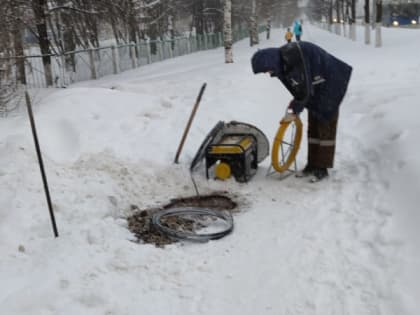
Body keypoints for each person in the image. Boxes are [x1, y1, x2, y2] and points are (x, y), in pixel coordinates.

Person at [251, 41, 352, 182]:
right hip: (317, 84)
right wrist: (293, 107)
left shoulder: (294, 57)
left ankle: (321, 168)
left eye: (266, 70)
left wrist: (294, 111)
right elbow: (298, 90)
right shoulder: (281, 65)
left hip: (331, 82)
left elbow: (304, 91)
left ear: (270, 62)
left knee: (325, 124)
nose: (268, 74)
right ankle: (312, 165)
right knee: (314, 125)